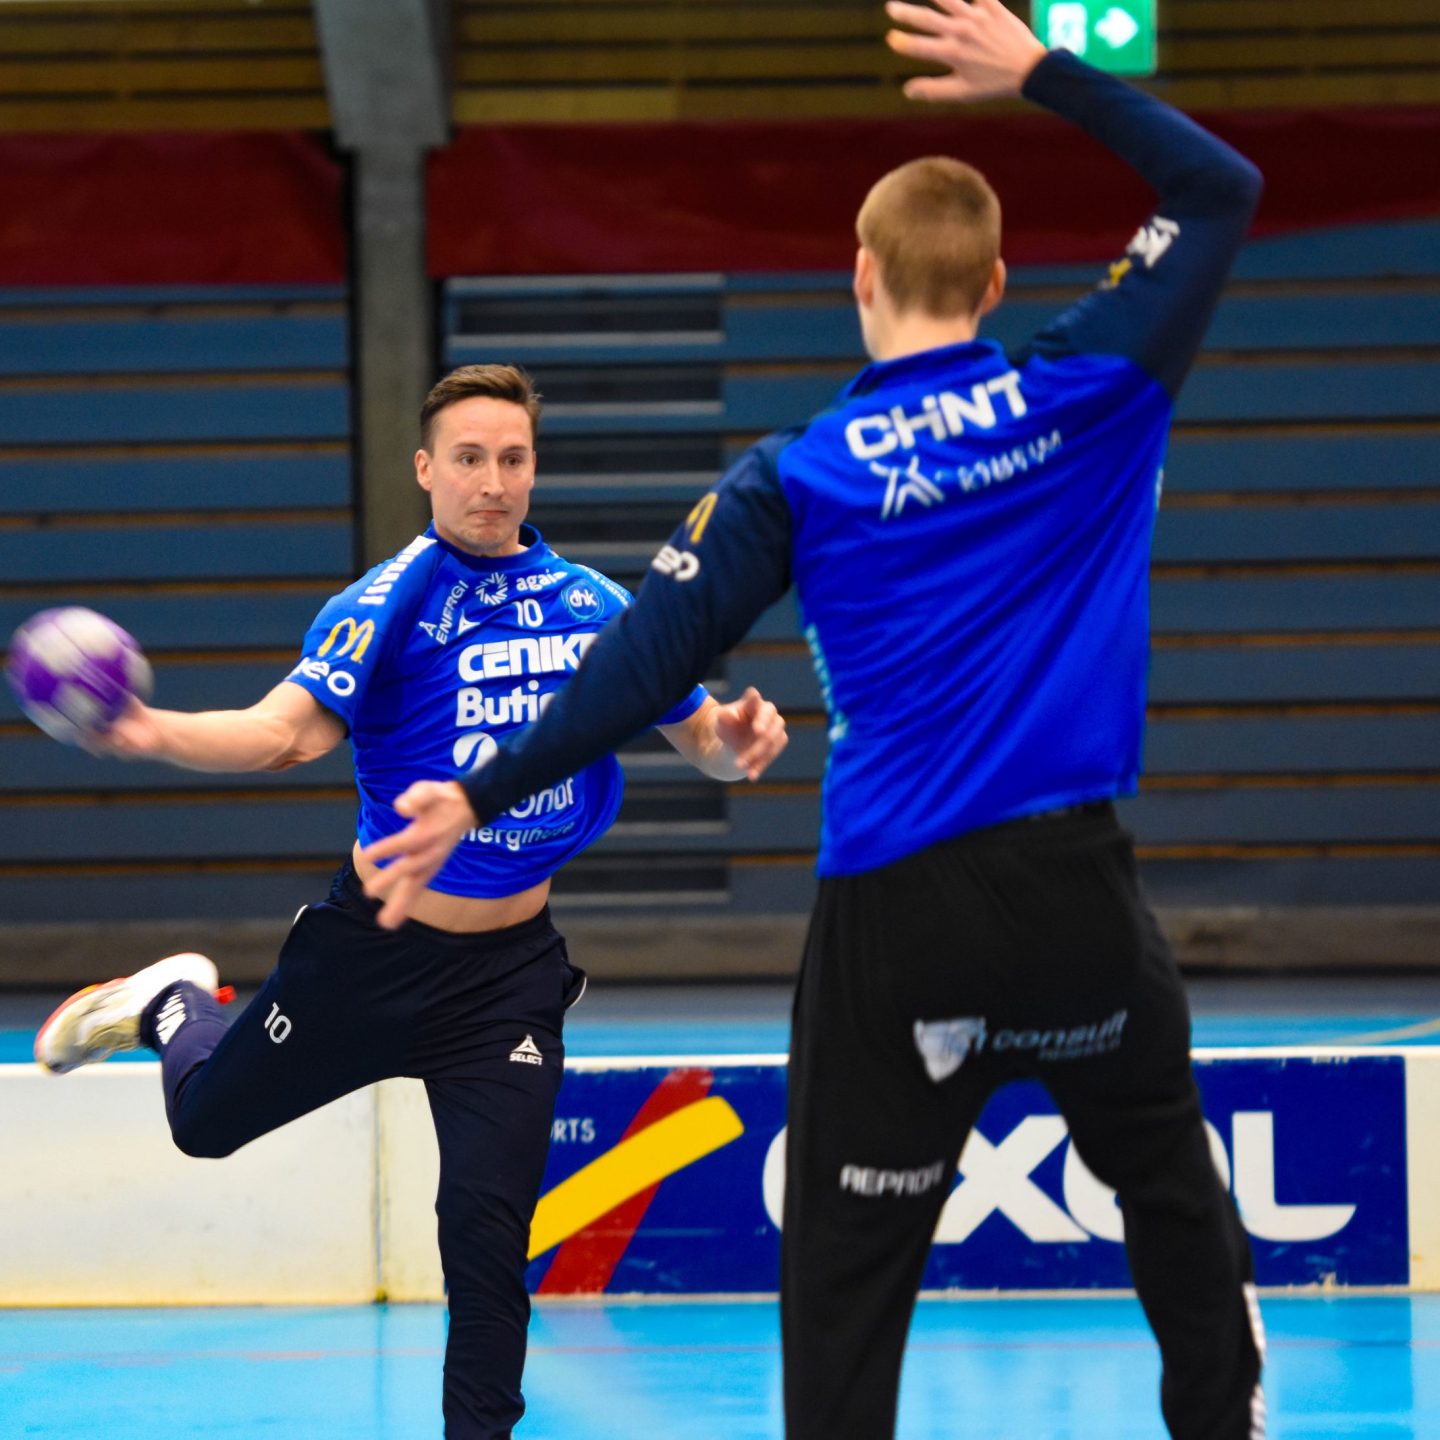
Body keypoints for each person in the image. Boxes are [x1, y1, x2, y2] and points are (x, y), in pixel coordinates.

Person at [361, 3, 1267, 1437]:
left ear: (861, 276)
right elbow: (1220, 186)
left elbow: (642, 660)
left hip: (900, 915)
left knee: (848, 1279)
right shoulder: (1092, 390)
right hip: (1077, 896)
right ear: (995, 280)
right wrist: (1041, 70)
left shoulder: (802, 474)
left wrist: (479, 792)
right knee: (1172, 1202)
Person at [32, 362, 788, 1440]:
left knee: (486, 1240)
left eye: (512, 459)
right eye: (469, 459)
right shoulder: (389, 601)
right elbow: (283, 734)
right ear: (427, 469)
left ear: (535, 470)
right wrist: (148, 732)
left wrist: (737, 742)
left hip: (506, 982)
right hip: (372, 954)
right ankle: (169, 1002)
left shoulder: (593, 605)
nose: (493, 482)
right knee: (204, 1126)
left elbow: (702, 738)